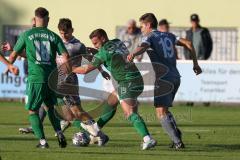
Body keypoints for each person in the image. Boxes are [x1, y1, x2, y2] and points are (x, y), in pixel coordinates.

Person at [127, 13, 202, 149]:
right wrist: (195, 64)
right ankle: (176, 136)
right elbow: (189, 43)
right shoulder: (169, 35)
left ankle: (178, 142)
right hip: (175, 77)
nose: (141, 28)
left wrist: (133, 53)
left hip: (163, 79)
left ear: (148, 25)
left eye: (142, 26)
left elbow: (143, 46)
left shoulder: (148, 36)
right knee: (165, 111)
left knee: (160, 113)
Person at [73, 28, 157, 150]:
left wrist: (70, 68)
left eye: (96, 43)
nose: (95, 45)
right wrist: (97, 50)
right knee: (111, 102)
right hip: (136, 79)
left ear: (102, 38)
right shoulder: (118, 41)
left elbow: (85, 70)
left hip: (127, 83)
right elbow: (111, 53)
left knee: (129, 113)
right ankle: (95, 130)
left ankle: (148, 139)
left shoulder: (103, 53)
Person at [7, 7, 70, 149]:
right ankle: (59, 132)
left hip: (36, 78)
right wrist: (66, 72)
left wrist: (8, 67)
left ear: (35, 20)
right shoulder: (54, 36)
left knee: (33, 111)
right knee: (50, 107)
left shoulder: (26, 35)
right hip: (51, 78)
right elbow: (66, 57)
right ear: (48, 19)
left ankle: (42, 142)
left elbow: (12, 56)